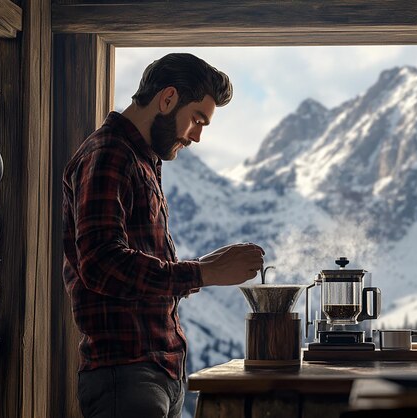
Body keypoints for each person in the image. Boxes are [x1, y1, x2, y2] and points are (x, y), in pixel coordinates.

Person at [62, 53, 264, 418]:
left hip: (153, 372)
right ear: (168, 98)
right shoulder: (109, 154)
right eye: (197, 119)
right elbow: (101, 263)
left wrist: (205, 267)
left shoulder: (141, 159)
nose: (198, 136)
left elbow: (134, 269)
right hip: (125, 376)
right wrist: (202, 274)